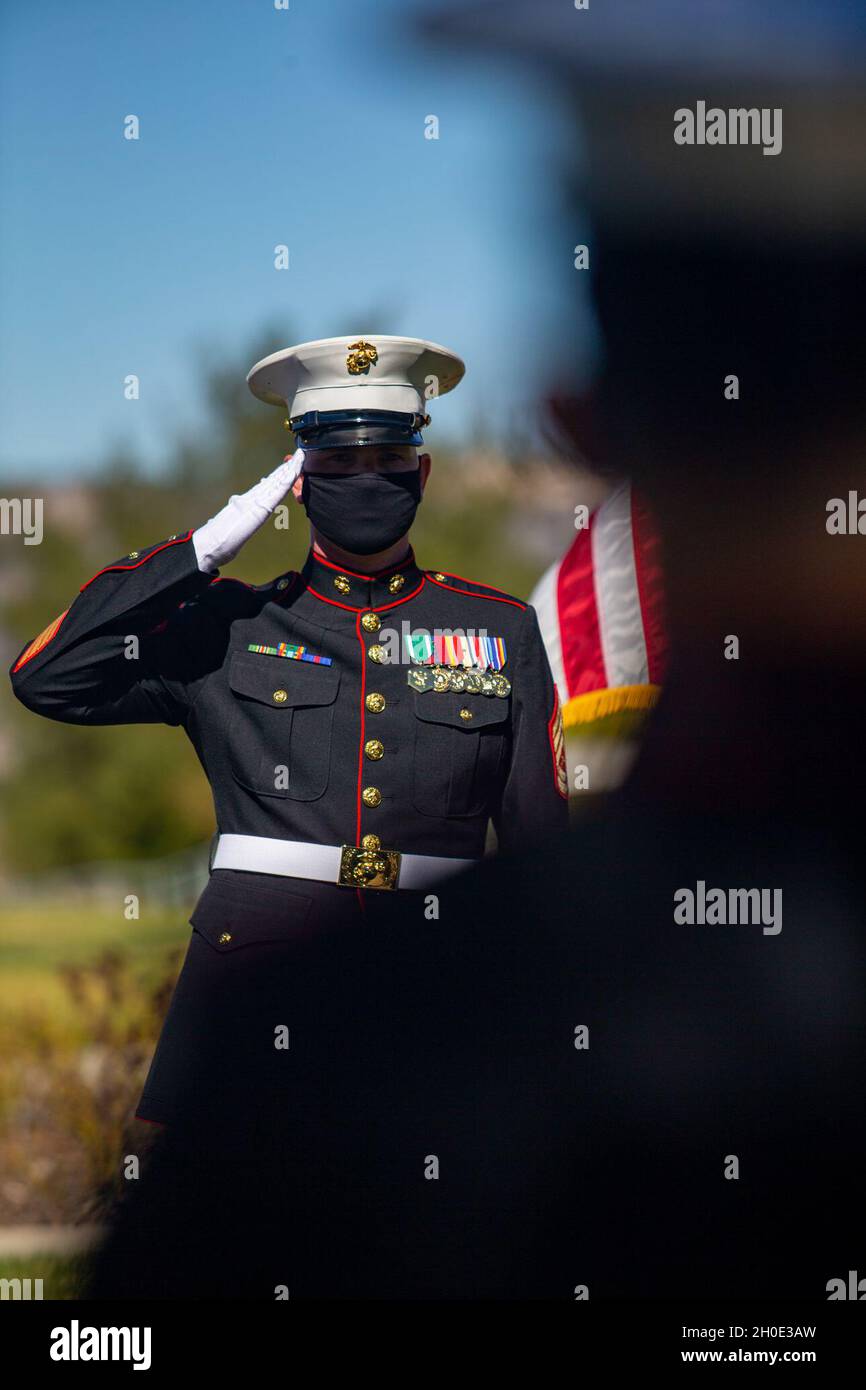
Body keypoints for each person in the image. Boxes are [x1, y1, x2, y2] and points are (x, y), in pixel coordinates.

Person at [9, 334, 568, 1125]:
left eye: (387, 458)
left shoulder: (499, 629)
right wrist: (197, 554)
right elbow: (46, 677)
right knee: (244, 1238)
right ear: (298, 483)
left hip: (441, 985)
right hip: (257, 988)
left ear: (424, 471)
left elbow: (542, 854)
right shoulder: (228, 623)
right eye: (337, 463)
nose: (365, 479)